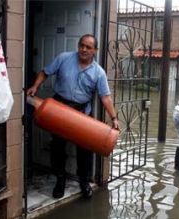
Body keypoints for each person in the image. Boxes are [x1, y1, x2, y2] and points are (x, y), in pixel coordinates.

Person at [27, 34, 119, 199]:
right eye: (81, 45)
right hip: (58, 109)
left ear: (95, 51)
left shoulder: (99, 73)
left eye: (88, 47)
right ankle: (60, 180)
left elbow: (105, 97)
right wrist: (35, 86)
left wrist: (114, 118)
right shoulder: (64, 58)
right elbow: (45, 72)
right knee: (57, 147)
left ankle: (84, 181)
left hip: (82, 113)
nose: (83, 49)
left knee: (85, 150)